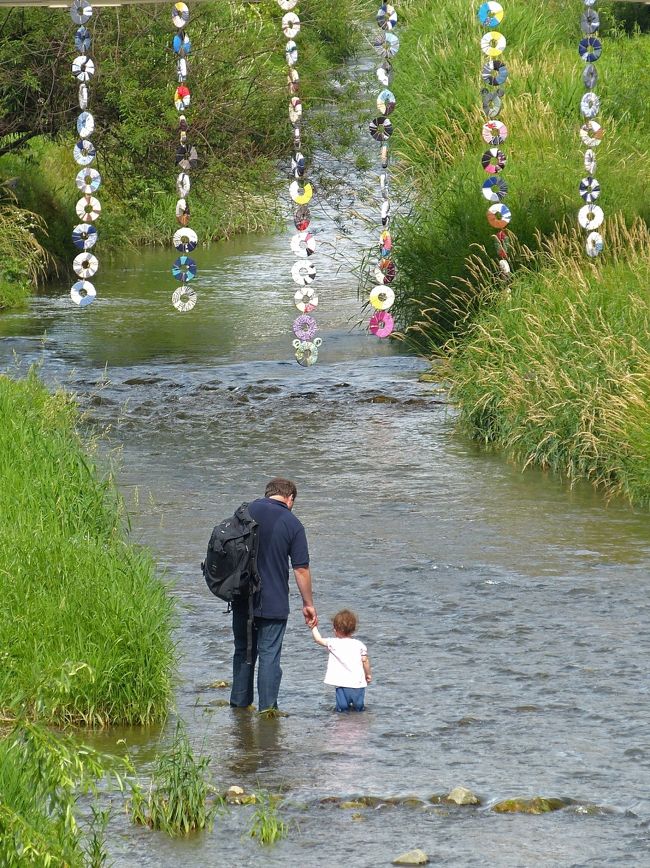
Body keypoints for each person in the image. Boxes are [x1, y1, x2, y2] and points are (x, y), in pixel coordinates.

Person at [229, 477, 317, 713]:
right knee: (269, 656)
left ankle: (239, 707)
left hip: (241, 596)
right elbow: (301, 569)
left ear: (268, 494)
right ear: (290, 499)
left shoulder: (243, 512)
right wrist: (308, 603)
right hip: (273, 600)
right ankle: (267, 710)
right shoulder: (293, 523)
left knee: (243, 651)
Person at [311, 609, 372, 712]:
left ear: (335, 629)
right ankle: (360, 723)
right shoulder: (359, 644)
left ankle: (343, 724)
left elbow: (318, 639)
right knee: (359, 708)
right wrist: (368, 674)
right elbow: (365, 661)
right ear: (353, 630)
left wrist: (313, 627)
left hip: (341, 683)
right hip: (358, 683)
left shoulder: (333, 643)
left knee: (342, 708)